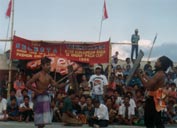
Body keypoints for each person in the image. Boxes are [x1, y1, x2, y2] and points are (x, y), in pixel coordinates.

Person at [26, 57, 65, 128]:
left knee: (43, 121)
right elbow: (28, 84)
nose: (49, 66)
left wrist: (65, 83)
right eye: (47, 65)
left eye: (49, 65)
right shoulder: (38, 75)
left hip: (46, 98)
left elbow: (57, 85)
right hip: (39, 98)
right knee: (40, 120)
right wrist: (37, 91)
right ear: (42, 66)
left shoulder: (49, 77)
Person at [138, 56, 173, 128]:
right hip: (158, 98)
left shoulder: (159, 74)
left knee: (149, 121)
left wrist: (139, 75)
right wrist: (144, 76)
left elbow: (148, 86)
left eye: (158, 61)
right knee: (157, 120)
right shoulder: (161, 74)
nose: (156, 62)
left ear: (161, 64)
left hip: (154, 100)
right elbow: (152, 82)